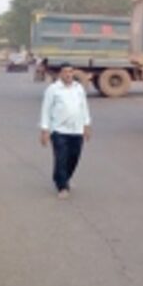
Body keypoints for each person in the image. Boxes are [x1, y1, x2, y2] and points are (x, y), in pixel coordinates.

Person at [39, 63, 92, 199]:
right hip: (59, 130)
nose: (68, 74)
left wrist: (86, 125)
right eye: (65, 72)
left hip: (77, 129)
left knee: (74, 157)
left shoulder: (78, 88)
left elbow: (84, 107)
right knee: (61, 158)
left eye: (70, 72)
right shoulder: (53, 89)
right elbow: (46, 110)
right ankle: (62, 186)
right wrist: (45, 129)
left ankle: (63, 177)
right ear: (60, 74)